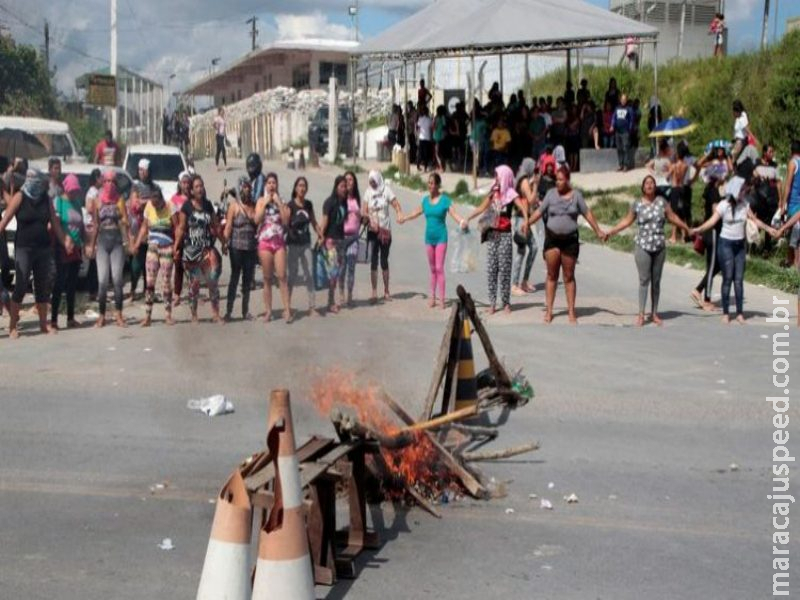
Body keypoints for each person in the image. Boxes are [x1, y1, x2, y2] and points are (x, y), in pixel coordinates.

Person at [605, 176, 690, 326]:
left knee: (656, 282)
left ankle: (655, 313)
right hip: (642, 246)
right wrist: (611, 232)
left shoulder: (662, 202)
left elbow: (672, 217)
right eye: (647, 183)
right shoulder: (637, 204)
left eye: (652, 183)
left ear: (655, 187)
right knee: (644, 280)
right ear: (643, 187)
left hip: (659, 247)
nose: (650, 185)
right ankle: (641, 314)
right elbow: (627, 221)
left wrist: (686, 228)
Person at [0, 168, 74, 338]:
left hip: (43, 248)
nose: (32, 182)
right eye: (30, 178)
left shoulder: (45, 199)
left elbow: (55, 224)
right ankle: (13, 326)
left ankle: (43, 324)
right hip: (24, 248)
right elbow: (5, 220)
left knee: (42, 287)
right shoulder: (20, 197)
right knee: (20, 285)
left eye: (35, 179)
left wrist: (65, 241)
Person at [692, 174, 775, 324]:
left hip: (739, 246)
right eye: (743, 190)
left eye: (745, 190)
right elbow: (711, 221)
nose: (745, 192)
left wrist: (769, 230)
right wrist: (697, 229)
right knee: (728, 278)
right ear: (735, 190)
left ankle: (739, 313)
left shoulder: (745, 205)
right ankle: (726, 313)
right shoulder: (723, 205)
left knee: (738, 280)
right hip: (726, 245)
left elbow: (755, 220)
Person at [528, 166, 605, 324]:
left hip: (570, 240)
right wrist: (527, 223)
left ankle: (571, 311)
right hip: (552, 239)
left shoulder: (576, 196)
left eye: (561, 179)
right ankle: (549, 311)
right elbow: (539, 211)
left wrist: (597, 230)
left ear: (568, 180)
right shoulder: (550, 194)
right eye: (556, 179)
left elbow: (587, 213)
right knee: (551, 275)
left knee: (569, 276)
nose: (558, 182)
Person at [466, 166, 529, 314]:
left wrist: (526, 220)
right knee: (492, 269)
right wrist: (468, 218)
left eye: (498, 176)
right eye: (495, 176)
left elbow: (523, 206)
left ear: (506, 177)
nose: (496, 179)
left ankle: (506, 302)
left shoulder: (511, 194)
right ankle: (493, 303)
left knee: (505, 269)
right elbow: (482, 208)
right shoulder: (493, 192)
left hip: (506, 235)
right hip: (492, 234)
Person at [399, 173, 466, 308]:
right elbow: (416, 212)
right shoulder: (425, 201)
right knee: (432, 269)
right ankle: (432, 297)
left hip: (441, 238)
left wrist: (462, 221)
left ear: (437, 185)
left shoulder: (444, 200)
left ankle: (441, 299)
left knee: (439, 268)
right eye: (428, 183)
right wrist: (404, 218)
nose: (430, 185)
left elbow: (454, 214)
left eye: (432, 183)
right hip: (429, 239)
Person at [174, 174, 225, 324]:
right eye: (196, 187)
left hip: (207, 249)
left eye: (201, 186)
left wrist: (224, 243)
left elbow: (215, 226)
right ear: (191, 190)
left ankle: (216, 314)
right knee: (194, 284)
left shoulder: (208, 205)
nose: (200, 189)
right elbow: (181, 228)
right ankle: (194, 315)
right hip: (191, 251)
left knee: (213, 281)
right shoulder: (186, 207)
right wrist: (176, 247)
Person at [88, 171, 130, 328]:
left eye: (112, 181)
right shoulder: (97, 201)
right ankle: (102, 316)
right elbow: (95, 225)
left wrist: (129, 242)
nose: (109, 184)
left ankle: (119, 314)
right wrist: (91, 246)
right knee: (102, 281)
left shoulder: (119, 200)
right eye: (107, 181)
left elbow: (126, 223)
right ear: (102, 182)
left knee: (118, 280)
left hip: (117, 242)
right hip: (103, 242)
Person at [133, 186, 177, 326]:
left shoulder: (170, 207)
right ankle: (148, 316)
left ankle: (168, 314)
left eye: (156, 202)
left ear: (160, 199)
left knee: (166, 282)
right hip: (152, 247)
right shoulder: (149, 208)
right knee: (150, 282)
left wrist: (176, 247)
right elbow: (144, 227)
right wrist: (137, 243)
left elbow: (176, 228)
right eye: (152, 202)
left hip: (167, 247)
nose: (154, 205)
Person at [51, 174, 86, 329]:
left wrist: (85, 242)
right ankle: (53, 320)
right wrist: (65, 240)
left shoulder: (77, 203)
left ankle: (70, 318)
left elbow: (81, 225)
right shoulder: (58, 202)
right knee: (59, 284)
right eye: (72, 191)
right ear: (66, 188)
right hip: (62, 247)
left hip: (76, 247)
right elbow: (55, 224)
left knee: (72, 284)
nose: (74, 194)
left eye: (76, 191)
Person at [255, 172, 291, 323]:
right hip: (265, 242)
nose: (271, 185)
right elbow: (257, 219)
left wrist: (279, 203)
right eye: (269, 183)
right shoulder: (261, 201)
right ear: (265, 186)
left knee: (282, 276)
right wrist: (266, 203)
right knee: (267, 278)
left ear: (277, 185)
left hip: (279, 242)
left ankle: (287, 310)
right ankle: (268, 311)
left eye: (274, 183)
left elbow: (286, 221)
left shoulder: (282, 201)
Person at [363, 170, 403, 304]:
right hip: (372, 231)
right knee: (373, 260)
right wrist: (368, 217)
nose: (372, 184)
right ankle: (374, 291)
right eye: (370, 182)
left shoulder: (386, 190)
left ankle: (386, 291)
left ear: (378, 179)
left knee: (384, 261)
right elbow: (364, 210)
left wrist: (399, 213)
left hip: (385, 231)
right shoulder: (368, 192)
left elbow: (396, 204)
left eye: (374, 181)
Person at [286, 176, 322, 317]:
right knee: (292, 276)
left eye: (304, 186)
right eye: (300, 185)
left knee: (309, 275)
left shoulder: (308, 205)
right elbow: (285, 224)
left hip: (306, 244)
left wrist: (320, 234)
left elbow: (313, 222)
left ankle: (312, 307)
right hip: (293, 245)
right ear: (295, 188)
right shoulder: (290, 206)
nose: (302, 188)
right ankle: (287, 306)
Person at [690, 168, 725, 312]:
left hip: (710, 232)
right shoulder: (714, 192)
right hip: (713, 232)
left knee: (715, 265)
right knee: (713, 266)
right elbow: (715, 212)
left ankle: (705, 296)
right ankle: (700, 293)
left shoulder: (710, 189)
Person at [223, 176, 258, 321]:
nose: (247, 190)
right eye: (244, 187)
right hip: (236, 248)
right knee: (234, 277)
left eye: (249, 187)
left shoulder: (255, 205)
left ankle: (245, 311)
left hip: (250, 248)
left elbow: (256, 220)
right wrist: (225, 242)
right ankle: (229, 311)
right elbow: (229, 226)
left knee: (247, 279)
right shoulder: (234, 206)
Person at [129, 159, 157, 300]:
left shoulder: (153, 186)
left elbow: (157, 202)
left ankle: (148, 290)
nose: (142, 172)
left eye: (144, 170)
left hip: (150, 229)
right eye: (140, 169)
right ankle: (133, 290)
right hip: (137, 228)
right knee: (136, 264)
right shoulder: (135, 186)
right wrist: (148, 201)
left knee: (149, 263)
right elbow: (136, 205)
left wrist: (145, 201)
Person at [320, 176, 349, 313]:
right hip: (330, 241)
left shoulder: (344, 203)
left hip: (340, 241)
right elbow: (324, 221)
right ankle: (330, 302)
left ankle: (330, 300)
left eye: (345, 186)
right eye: (342, 186)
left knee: (337, 273)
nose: (344, 189)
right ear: (336, 187)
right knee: (332, 273)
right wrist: (320, 237)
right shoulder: (329, 202)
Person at [511, 159, 539, 295]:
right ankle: (515, 284)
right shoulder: (524, 181)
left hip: (524, 219)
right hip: (521, 220)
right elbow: (531, 199)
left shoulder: (524, 179)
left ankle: (524, 281)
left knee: (533, 248)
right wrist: (536, 185)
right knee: (522, 251)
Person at [340, 171, 363, 307]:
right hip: (342, 238)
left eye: (351, 180)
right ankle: (341, 292)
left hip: (354, 237)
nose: (349, 182)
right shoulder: (340, 199)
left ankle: (349, 294)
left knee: (351, 268)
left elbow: (362, 216)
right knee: (342, 268)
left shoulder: (357, 200)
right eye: (346, 179)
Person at [170, 171, 192, 305]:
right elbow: (174, 220)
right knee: (178, 265)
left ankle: (192, 293)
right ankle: (177, 294)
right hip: (178, 235)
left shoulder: (194, 198)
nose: (186, 185)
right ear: (179, 183)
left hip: (193, 236)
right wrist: (179, 232)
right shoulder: (174, 199)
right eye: (183, 182)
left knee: (192, 266)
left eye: (188, 182)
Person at [780, 140, 800, 269]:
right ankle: (790, 261)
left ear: (791, 150)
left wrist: (782, 204)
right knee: (795, 232)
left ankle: (795, 264)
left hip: (793, 203)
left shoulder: (793, 163)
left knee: (794, 232)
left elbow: (788, 185)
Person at [84, 168, 102, 301]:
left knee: (96, 261)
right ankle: (92, 290)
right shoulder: (92, 192)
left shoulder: (97, 192)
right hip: (91, 227)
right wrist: (98, 206)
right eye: (100, 177)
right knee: (93, 260)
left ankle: (95, 290)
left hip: (97, 226)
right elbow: (90, 208)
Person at [612, 94, 633, 171]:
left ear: (626, 100)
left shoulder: (629, 109)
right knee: (619, 148)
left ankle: (626, 165)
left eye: (625, 99)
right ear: (620, 100)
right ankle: (620, 164)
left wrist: (629, 129)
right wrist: (612, 125)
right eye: (622, 99)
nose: (623, 101)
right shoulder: (617, 108)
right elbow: (614, 118)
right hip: (617, 131)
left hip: (625, 132)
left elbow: (631, 120)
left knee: (625, 148)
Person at [416, 107, 433, 172]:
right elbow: (431, 128)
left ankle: (418, 165)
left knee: (420, 152)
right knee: (426, 154)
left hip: (421, 137)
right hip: (427, 138)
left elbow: (418, 127)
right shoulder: (429, 119)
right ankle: (425, 168)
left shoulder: (420, 119)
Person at [432, 105, 447, 172]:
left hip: (436, 137)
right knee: (441, 153)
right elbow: (444, 127)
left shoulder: (436, 118)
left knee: (437, 153)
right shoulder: (443, 118)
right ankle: (441, 166)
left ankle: (441, 167)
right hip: (442, 137)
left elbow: (433, 127)